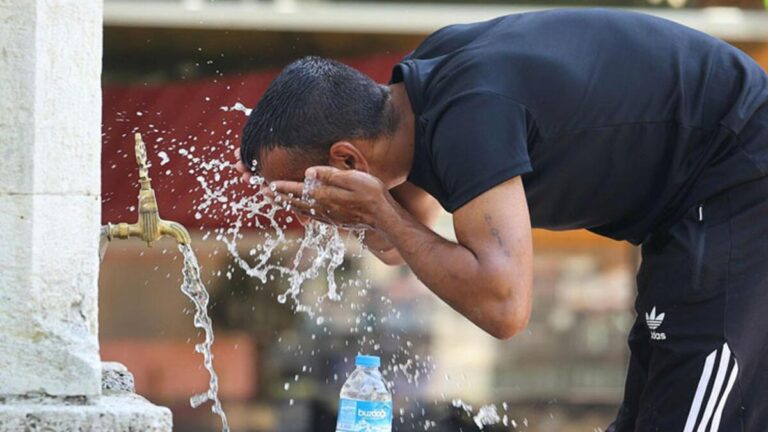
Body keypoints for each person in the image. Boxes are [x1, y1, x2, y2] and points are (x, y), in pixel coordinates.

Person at [235, 9, 768, 431]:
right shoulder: (416, 100)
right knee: (650, 409)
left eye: (309, 187)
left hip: (737, 162)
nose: (309, 205)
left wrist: (376, 209)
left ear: (348, 159)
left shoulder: (469, 116)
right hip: (686, 200)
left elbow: (505, 305)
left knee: (694, 409)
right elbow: (399, 241)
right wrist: (371, 213)